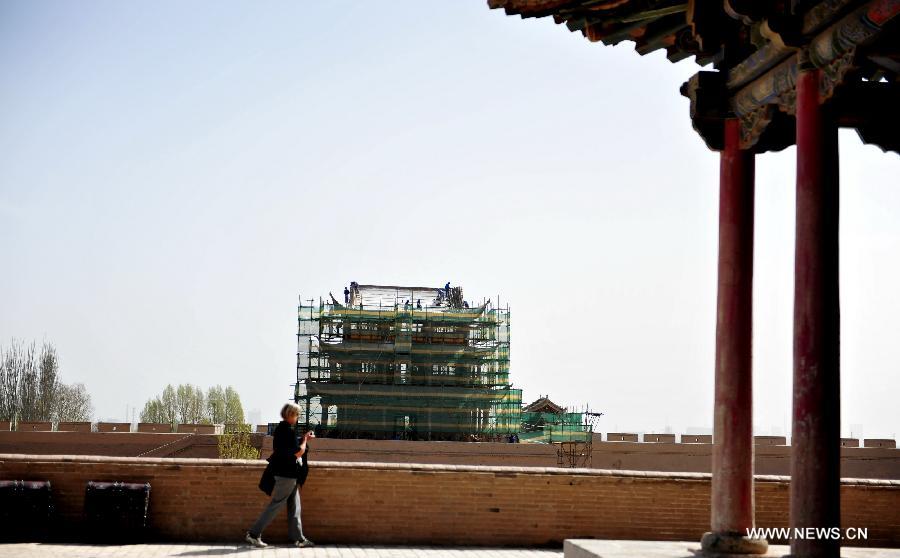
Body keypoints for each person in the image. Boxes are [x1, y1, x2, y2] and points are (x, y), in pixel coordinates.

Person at [245, 403, 315, 548]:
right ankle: (253, 534)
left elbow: (289, 448)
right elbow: (298, 452)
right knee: (276, 505)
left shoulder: (281, 429)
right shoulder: (287, 431)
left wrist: (302, 439)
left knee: (295, 507)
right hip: (286, 475)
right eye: (297, 415)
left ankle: (299, 539)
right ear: (290, 415)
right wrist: (305, 440)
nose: (298, 418)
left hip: (288, 474)